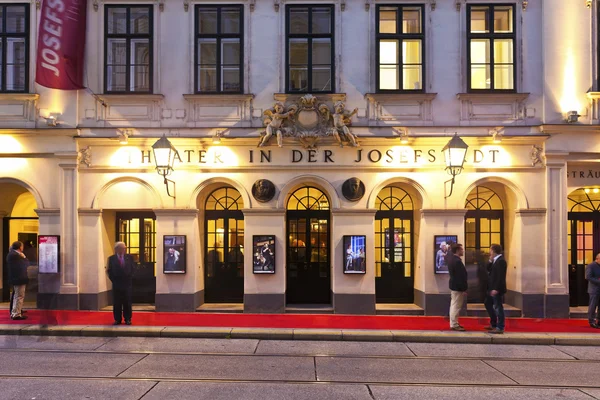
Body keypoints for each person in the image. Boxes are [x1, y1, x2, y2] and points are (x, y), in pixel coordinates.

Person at [107, 242, 134, 325]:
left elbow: (133, 269)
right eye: (122, 248)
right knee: (117, 303)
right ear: (117, 249)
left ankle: (127, 319)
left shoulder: (129, 258)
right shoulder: (111, 259)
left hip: (127, 284)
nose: (124, 250)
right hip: (117, 284)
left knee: (127, 302)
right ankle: (117, 319)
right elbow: (109, 271)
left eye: (124, 248)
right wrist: (114, 281)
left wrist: (129, 278)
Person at [484, 243, 507, 334]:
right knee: (487, 303)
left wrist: (496, 289)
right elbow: (488, 269)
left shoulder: (501, 261)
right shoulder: (494, 260)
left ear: (493, 250)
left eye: (490, 250)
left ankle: (500, 327)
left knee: (498, 307)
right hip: (491, 288)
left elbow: (500, 277)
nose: (489, 252)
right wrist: (490, 260)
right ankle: (493, 323)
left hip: (496, 289)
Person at [447, 243, 468, 331]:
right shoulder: (457, 261)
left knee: (454, 305)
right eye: (461, 249)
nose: (463, 251)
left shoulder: (452, 260)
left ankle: (454, 323)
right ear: (457, 250)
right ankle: (454, 324)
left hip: (454, 286)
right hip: (457, 287)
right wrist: (463, 288)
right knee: (456, 306)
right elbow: (460, 276)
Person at [7, 241, 29, 320]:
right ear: (20, 247)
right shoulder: (16, 255)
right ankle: (16, 314)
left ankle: (15, 311)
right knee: (19, 296)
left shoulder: (12, 254)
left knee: (16, 295)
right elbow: (25, 264)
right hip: (19, 278)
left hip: (16, 278)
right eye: (22, 246)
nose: (23, 248)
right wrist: (24, 257)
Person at [585, 253, 600, 329]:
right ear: (597, 259)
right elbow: (588, 277)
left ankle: (599, 320)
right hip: (594, 290)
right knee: (593, 306)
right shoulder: (591, 266)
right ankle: (592, 321)